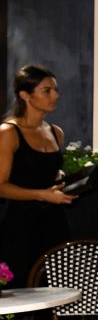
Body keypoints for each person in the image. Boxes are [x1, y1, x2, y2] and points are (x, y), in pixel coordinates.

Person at [0, 65, 73, 288]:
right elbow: (1, 186)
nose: (55, 96)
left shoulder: (55, 132)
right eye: (47, 91)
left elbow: (49, 176)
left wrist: (69, 186)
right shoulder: (8, 133)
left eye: (55, 90)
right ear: (25, 95)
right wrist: (41, 194)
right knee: (20, 288)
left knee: (55, 286)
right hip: (18, 223)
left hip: (54, 221)